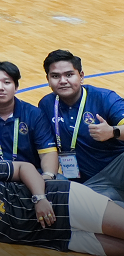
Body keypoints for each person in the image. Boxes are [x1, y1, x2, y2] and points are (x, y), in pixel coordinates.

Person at [35, 50, 124, 203]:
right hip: (88, 183)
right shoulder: (46, 104)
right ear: (48, 80)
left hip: (117, 168)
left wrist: (112, 131)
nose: (63, 81)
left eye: (69, 75)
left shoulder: (105, 98)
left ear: (81, 76)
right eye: (55, 76)